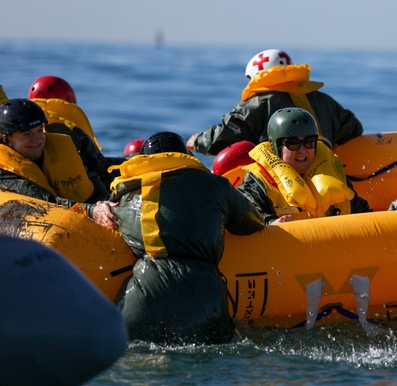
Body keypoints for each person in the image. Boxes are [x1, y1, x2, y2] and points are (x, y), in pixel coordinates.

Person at [110, 131, 266, 344]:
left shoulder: (126, 196)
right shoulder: (216, 186)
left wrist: (93, 209)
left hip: (141, 307)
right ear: (186, 157)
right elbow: (254, 221)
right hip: (205, 304)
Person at [187, 48, 363, 156]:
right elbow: (354, 128)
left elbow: (224, 137)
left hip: (279, 180)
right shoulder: (324, 100)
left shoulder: (258, 103)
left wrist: (197, 141)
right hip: (325, 173)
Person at [237, 108, 370, 224]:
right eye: (293, 144)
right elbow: (243, 217)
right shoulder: (257, 182)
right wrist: (271, 222)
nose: (302, 150)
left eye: (309, 142)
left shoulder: (334, 174)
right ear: (276, 147)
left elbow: (364, 215)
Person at [0, 98, 117, 228]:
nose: (37, 140)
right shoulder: (4, 169)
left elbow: (90, 177)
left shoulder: (59, 147)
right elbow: (46, 202)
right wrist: (92, 211)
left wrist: (105, 203)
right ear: (6, 139)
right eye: (26, 134)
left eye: (40, 130)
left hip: (82, 212)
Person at [28, 75, 122, 190]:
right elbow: (101, 169)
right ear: (70, 99)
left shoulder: (27, 129)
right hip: (87, 188)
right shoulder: (75, 134)